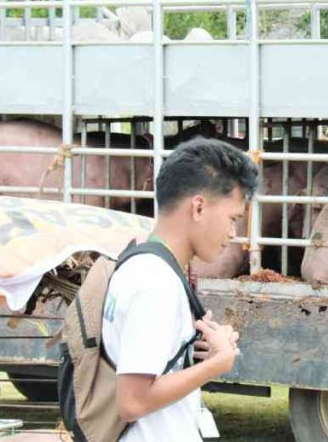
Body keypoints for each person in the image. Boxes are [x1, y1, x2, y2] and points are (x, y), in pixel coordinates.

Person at [102, 137, 259, 441]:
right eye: (232, 219)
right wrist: (216, 364)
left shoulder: (143, 263)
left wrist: (197, 349)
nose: (233, 234)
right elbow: (132, 402)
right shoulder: (155, 282)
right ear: (198, 207)